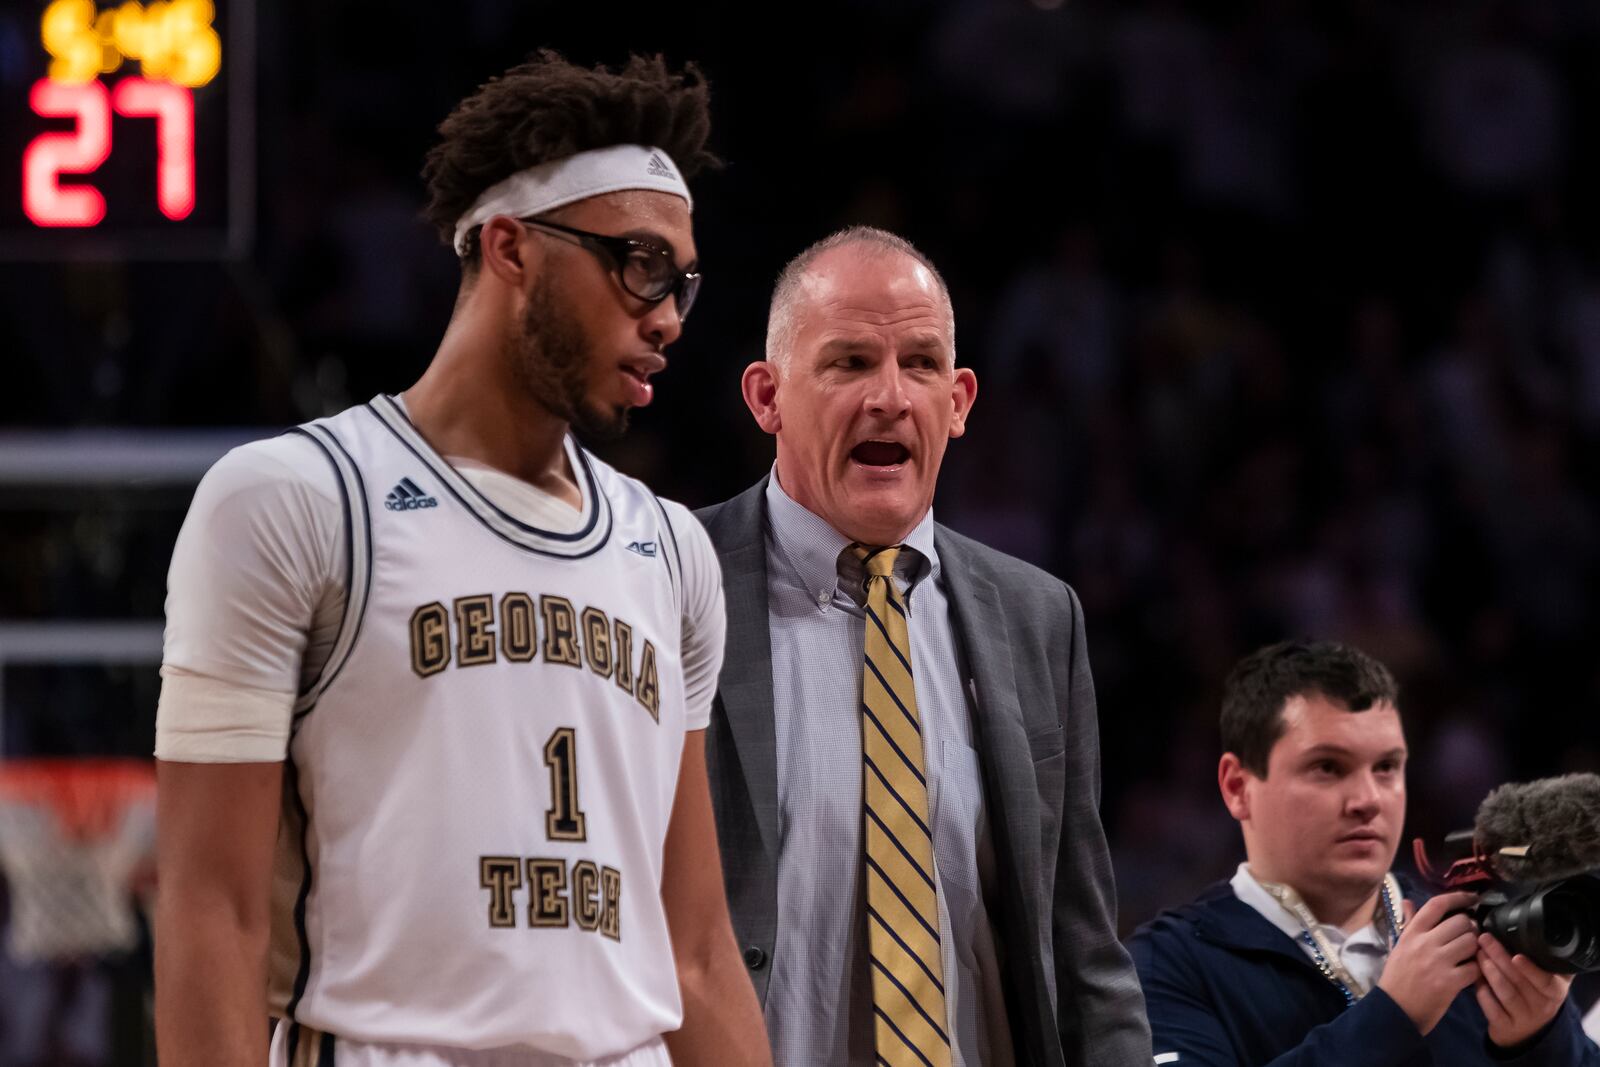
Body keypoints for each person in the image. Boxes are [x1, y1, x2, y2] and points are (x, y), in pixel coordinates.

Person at [152, 52, 769, 1067]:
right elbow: (210, 915)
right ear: (510, 247)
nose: (665, 315)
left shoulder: (670, 550)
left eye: (682, 283)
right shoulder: (296, 500)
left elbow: (696, 951)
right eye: (637, 264)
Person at [696, 225, 1152, 1067]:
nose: (890, 397)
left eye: (921, 363)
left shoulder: (1038, 617)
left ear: (960, 401)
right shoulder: (673, 583)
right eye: (849, 363)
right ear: (766, 396)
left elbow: (1083, 954)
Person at [1131, 639, 1600, 1066]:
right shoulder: (1166, 964)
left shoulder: (1479, 933)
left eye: (1387, 767)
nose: (1368, 799)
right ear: (1238, 787)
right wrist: (1393, 1015)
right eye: (1328, 767)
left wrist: (1543, 1039)